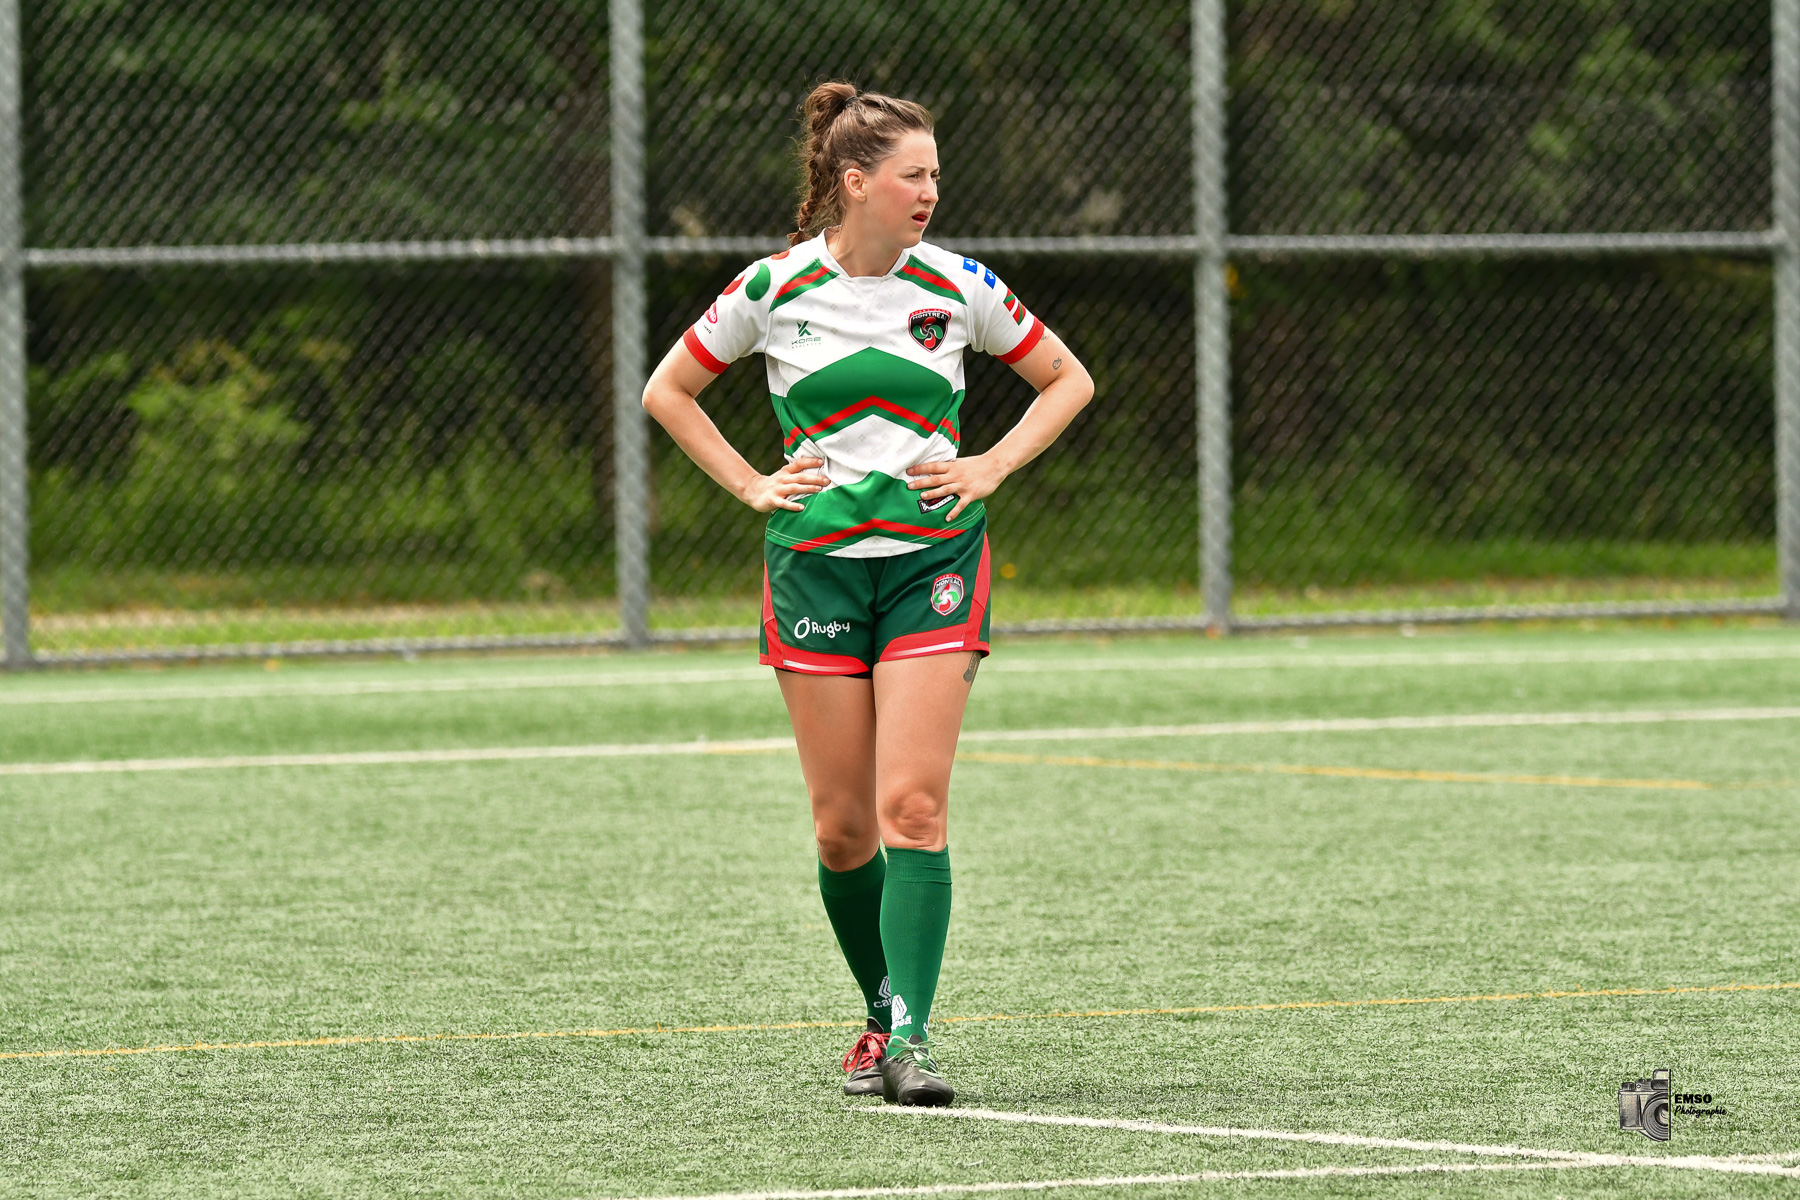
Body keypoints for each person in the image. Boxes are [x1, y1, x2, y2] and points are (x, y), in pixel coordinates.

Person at [641, 81, 1093, 1106]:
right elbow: (666, 390)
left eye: (936, 173)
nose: (932, 190)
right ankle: (881, 1011)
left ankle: (914, 1044)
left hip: (935, 562)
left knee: (912, 805)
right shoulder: (772, 288)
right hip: (815, 568)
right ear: (856, 182)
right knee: (844, 830)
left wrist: (988, 466)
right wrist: (754, 485)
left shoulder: (960, 284)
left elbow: (1068, 380)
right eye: (914, 174)